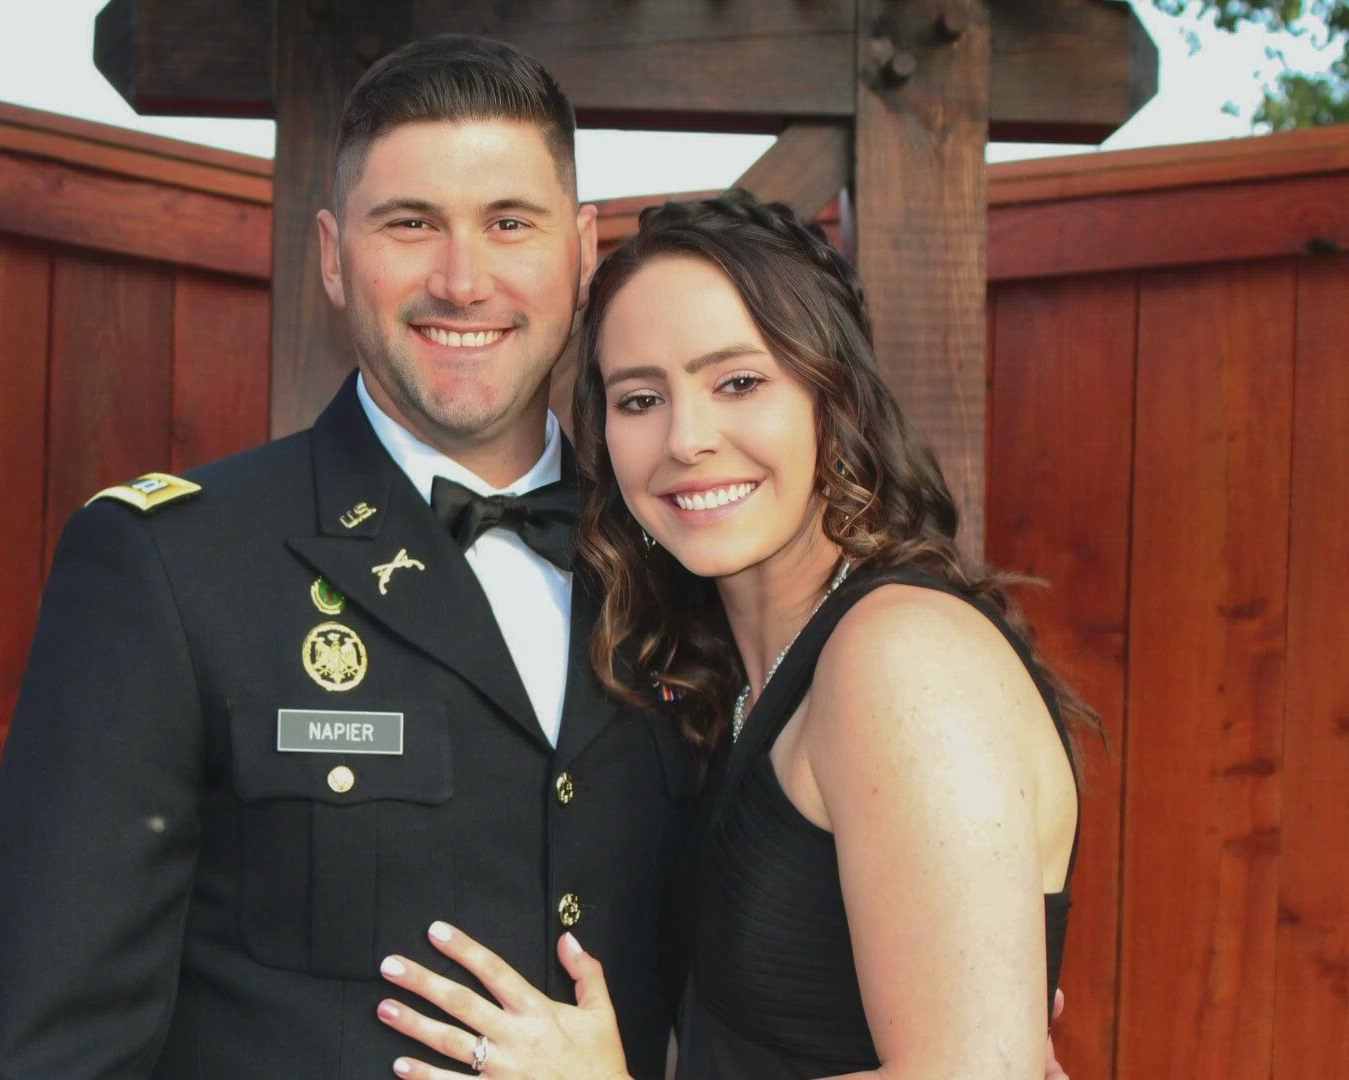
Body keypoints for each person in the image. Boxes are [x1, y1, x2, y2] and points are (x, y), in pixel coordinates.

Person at [0, 36, 693, 1078]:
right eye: (410, 224)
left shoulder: (683, 564)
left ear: (581, 251)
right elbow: (45, 1053)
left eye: (509, 223)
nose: (462, 278)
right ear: (335, 255)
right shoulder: (169, 568)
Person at [372, 190, 1088, 1079]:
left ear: (835, 397)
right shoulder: (734, 682)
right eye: (639, 399)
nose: (687, 439)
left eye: (739, 383)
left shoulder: (902, 655)